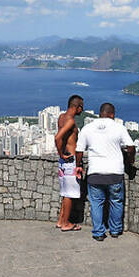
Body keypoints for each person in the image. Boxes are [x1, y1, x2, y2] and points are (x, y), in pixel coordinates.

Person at [75, 103, 135, 241]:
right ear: (112, 114)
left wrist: (78, 165)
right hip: (115, 173)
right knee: (116, 201)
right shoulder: (119, 127)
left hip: (95, 173)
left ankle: (98, 232)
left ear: (100, 113)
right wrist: (130, 161)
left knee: (96, 203)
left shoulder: (87, 128)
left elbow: (79, 150)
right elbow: (130, 147)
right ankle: (115, 230)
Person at [53, 95, 83, 232]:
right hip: (69, 161)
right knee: (70, 194)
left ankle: (60, 221)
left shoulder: (61, 117)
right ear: (76, 107)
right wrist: (61, 153)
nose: (82, 110)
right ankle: (66, 223)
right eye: (81, 107)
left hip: (62, 163)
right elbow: (58, 137)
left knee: (65, 193)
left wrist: (60, 155)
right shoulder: (70, 121)